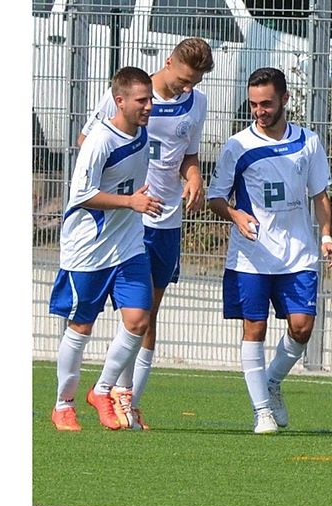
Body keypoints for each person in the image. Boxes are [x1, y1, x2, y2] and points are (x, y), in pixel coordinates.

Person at [76, 38, 214, 430]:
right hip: (127, 218)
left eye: (196, 81)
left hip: (166, 220)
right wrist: (120, 190)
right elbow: (88, 142)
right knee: (126, 314)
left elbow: (187, 152)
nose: (188, 87)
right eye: (184, 78)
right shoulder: (129, 94)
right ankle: (99, 394)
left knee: (148, 315)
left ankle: (128, 399)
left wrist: (194, 177)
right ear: (168, 62)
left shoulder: (197, 103)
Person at [207, 67, 332, 434]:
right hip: (251, 255)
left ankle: (271, 381)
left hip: (298, 253)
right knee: (255, 327)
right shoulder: (237, 145)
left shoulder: (308, 142)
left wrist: (326, 236)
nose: (259, 111)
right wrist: (235, 215)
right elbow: (215, 196)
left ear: (285, 99)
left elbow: (320, 194)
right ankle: (261, 411)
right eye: (253, 104)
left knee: (302, 328)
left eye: (266, 103)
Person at [48, 67, 163, 431]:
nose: (148, 106)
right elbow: (81, 195)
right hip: (89, 248)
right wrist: (130, 202)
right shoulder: (100, 141)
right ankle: (63, 404)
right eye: (141, 100)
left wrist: (137, 199)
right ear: (120, 101)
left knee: (139, 320)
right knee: (81, 326)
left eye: (150, 99)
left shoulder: (142, 133)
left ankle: (101, 390)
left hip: (128, 243)